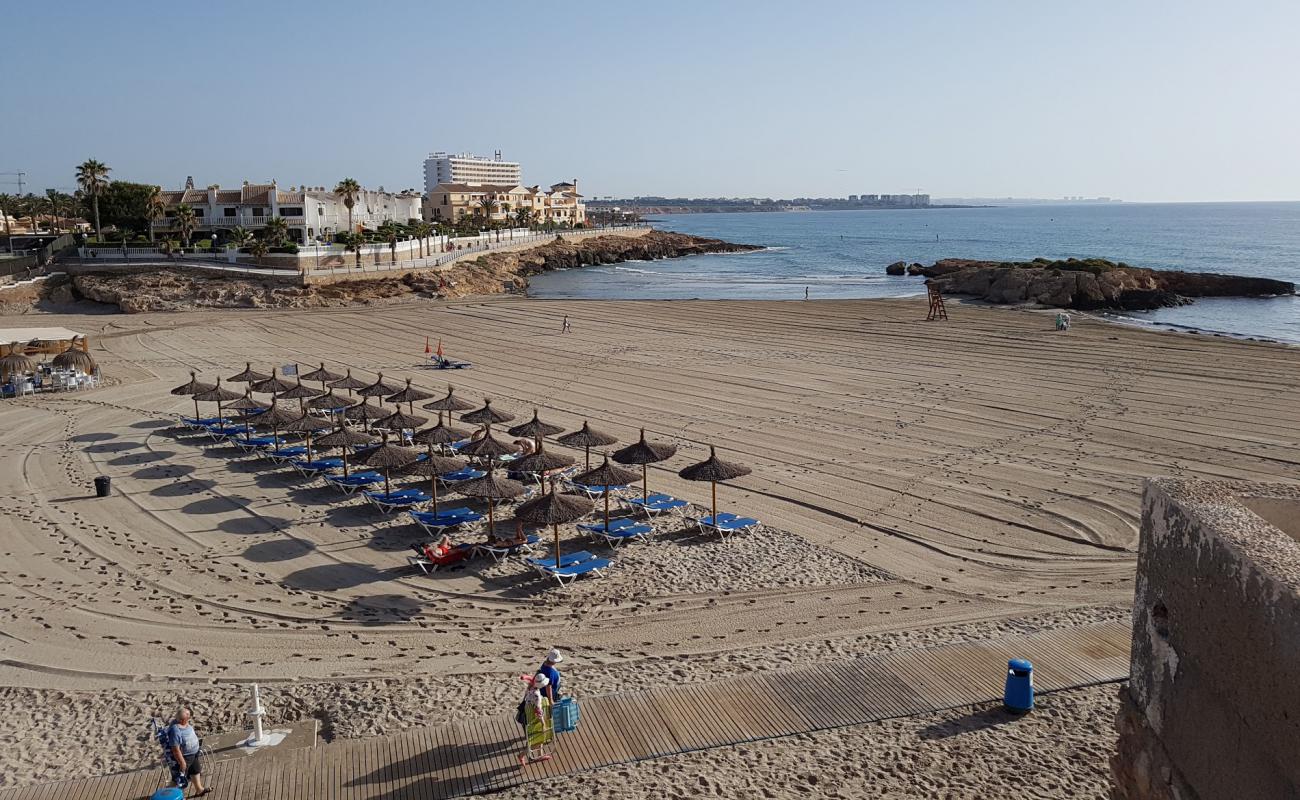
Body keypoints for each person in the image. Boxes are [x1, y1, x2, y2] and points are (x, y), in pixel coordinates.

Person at [166, 707, 208, 796]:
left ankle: (199, 790)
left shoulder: (184, 723)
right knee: (178, 779)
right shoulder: (175, 730)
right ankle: (168, 795)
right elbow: (175, 749)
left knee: (195, 771)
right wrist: (182, 762)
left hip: (193, 754)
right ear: (182, 720)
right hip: (185, 756)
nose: (189, 719)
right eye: (187, 718)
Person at [517, 672, 553, 766]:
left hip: (528, 713)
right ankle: (522, 754)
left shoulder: (531, 686)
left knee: (540, 737)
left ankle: (540, 755)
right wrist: (543, 723)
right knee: (536, 738)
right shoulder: (537, 695)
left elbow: (530, 678)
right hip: (533, 718)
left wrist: (524, 677)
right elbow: (538, 711)